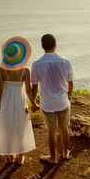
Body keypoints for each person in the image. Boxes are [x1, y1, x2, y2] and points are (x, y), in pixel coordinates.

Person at [0, 36, 39, 165]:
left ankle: (11, 154)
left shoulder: (2, 70)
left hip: (7, 102)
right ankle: (20, 156)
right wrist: (34, 103)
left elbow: (0, 89)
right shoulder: (26, 70)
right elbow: (29, 90)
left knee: (8, 127)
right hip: (20, 100)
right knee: (21, 126)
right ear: (21, 56)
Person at [31, 34, 74, 164]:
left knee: (51, 130)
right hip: (62, 101)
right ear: (55, 45)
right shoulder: (66, 62)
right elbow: (70, 84)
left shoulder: (36, 64)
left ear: (42, 47)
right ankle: (65, 152)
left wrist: (33, 103)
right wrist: (68, 96)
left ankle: (53, 158)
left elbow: (34, 87)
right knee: (64, 128)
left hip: (47, 103)